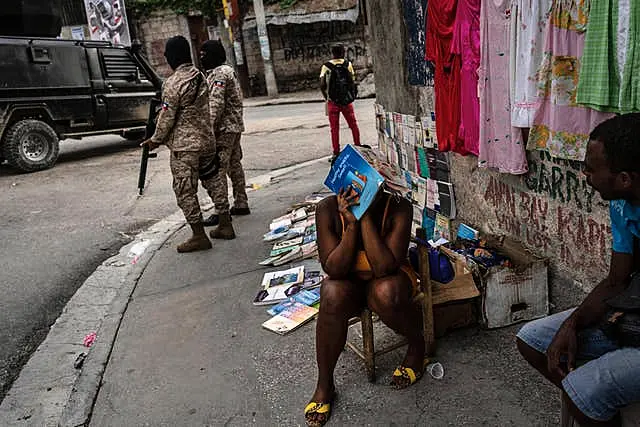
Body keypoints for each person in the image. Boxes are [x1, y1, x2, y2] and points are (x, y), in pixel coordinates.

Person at [517, 113, 640, 426]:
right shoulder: (622, 203)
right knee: (533, 340)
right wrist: (573, 323)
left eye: (590, 167)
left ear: (624, 178)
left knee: (581, 393)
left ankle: (591, 404)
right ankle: (599, 412)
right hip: (634, 315)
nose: (583, 174)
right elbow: (616, 280)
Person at [305, 184, 425, 426]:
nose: (359, 192)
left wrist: (366, 217)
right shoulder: (327, 209)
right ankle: (325, 384)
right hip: (348, 281)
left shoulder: (399, 207)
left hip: (388, 277)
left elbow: (383, 267)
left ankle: (417, 345)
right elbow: (335, 269)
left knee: (385, 292)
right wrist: (351, 225)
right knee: (330, 292)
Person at [141, 36, 218, 253]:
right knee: (213, 181)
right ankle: (225, 221)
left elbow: (167, 116)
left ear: (173, 56)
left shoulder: (173, 82)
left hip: (185, 147)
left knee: (185, 189)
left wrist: (155, 140)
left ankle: (199, 235)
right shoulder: (200, 76)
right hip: (206, 140)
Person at [199, 40, 250, 239]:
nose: (201, 58)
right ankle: (241, 202)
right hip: (234, 126)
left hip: (224, 128)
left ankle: (222, 213)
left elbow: (216, 104)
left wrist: (208, 130)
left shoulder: (219, 73)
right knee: (234, 165)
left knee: (218, 169)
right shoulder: (227, 71)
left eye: (204, 54)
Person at [320, 45, 361, 163]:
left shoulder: (326, 66)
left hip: (332, 102)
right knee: (353, 125)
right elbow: (352, 81)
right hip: (346, 101)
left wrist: (326, 97)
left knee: (334, 128)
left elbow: (322, 84)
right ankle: (358, 146)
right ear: (343, 52)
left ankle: (336, 152)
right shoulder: (347, 64)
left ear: (332, 53)